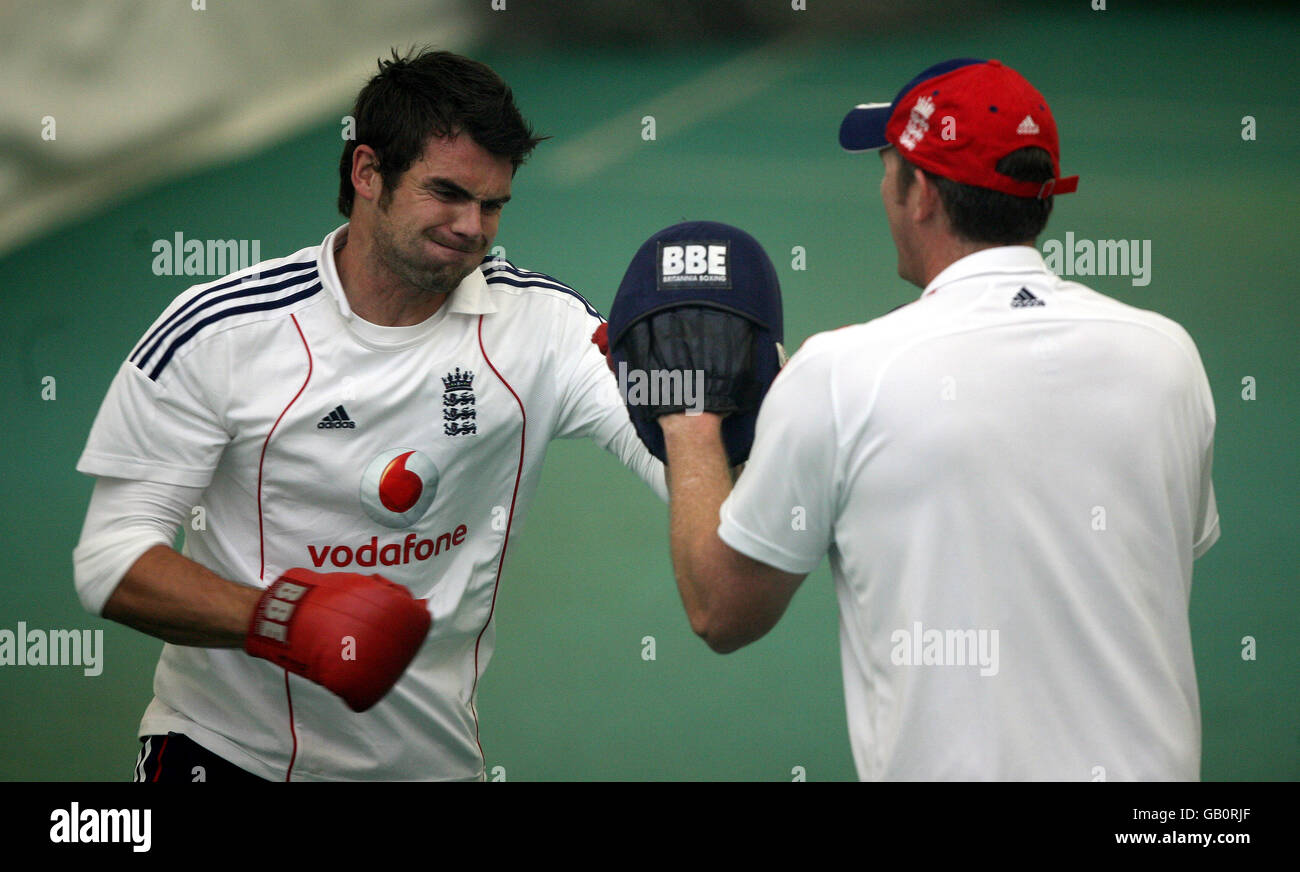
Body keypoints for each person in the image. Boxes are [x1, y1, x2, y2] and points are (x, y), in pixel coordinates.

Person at [73, 47, 664, 782]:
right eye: (445, 192)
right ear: (367, 173)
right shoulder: (222, 332)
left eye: (493, 204)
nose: (472, 227)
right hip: (220, 753)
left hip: (430, 765)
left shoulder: (541, 328)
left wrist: (721, 401)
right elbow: (111, 559)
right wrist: (280, 618)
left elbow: (676, 460)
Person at [651, 58, 1220, 780]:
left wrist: (692, 420)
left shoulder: (842, 374)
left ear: (919, 193)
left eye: (888, 166)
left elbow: (721, 609)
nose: (882, 187)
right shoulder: (1168, 356)